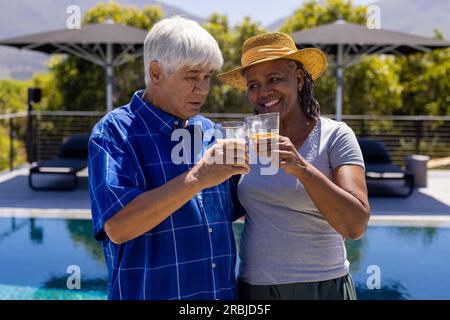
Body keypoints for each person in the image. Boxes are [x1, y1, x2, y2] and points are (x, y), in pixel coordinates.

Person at [88, 16, 249, 300]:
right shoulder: (114, 132)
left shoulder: (209, 131)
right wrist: (198, 178)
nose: (203, 88)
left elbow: (236, 210)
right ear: (156, 72)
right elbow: (118, 226)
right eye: (192, 76)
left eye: (207, 76)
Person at [218, 32, 370, 300]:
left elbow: (355, 225)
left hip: (323, 287)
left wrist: (303, 168)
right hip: (256, 289)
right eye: (253, 85)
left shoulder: (335, 136)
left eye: (274, 79)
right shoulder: (244, 142)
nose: (263, 92)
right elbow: (223, 210)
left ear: (299, 79)